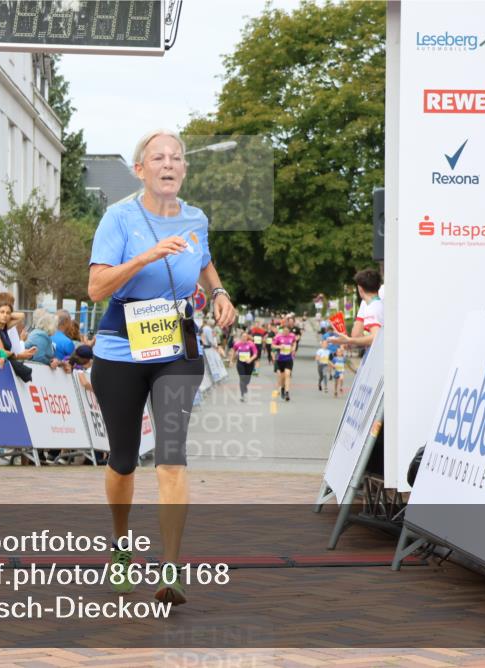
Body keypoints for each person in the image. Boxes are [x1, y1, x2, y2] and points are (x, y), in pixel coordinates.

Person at [87, 128, 236, 605]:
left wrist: (218, 291)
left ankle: (171, 567)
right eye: (158, 157)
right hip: (119, 348)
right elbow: (96, 288)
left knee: (171, 458)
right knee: (125, 461)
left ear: (184, 169)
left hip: (175, 350)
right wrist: (146, 256)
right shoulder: (118, 218)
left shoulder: (196, 217)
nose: (168, 164)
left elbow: (204, 259)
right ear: (141, 169)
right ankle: (120, 544)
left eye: (176, 157)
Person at [0, 292, 35, 360]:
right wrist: (2, 313)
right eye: (11, 304)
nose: (12, 307)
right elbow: (2, 353)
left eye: (9, 311)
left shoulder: (4, 325)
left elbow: (22, 316)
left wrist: (6, 313)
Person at [229, 331, 258, 402]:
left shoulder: (251, 344)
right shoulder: (237, 344)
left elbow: (255, 354)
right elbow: (233, 352)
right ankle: (242, 395)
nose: (244, 338)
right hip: (240, 363)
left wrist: (250, 359)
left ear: (247, 337)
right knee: (242, 378)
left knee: (247, 379)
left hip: (249, 364)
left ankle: (245, 386)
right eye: (243, 337)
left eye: (245, 336)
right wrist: (231, 361)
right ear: (241, 337)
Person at [272, 325, 297, 401]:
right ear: (282, 331)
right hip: (280, 359)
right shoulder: (278, 337)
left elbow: (294, 342)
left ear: (289, 331)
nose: (286, 332)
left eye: (287, 331)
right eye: (284, 331)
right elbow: (273, 345)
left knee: (287, 375)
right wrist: (279, 347)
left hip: (289, 359)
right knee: (282, 377)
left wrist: (293, 349)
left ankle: (287, 392)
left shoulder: (292, 336)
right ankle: (282, 388)